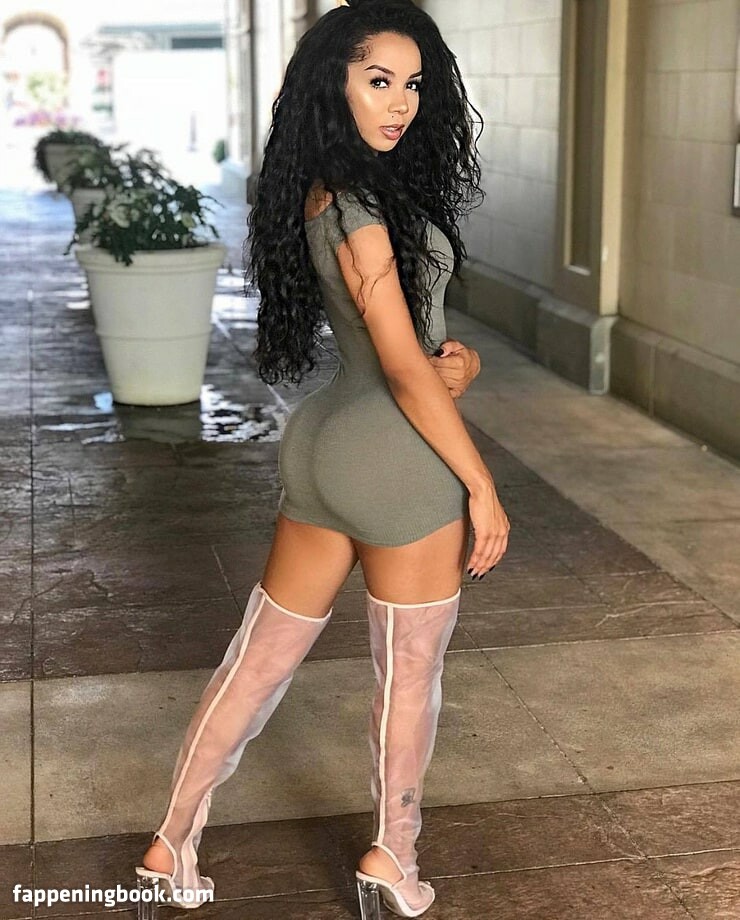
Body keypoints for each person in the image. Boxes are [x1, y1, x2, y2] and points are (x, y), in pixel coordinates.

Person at [135, 1, 510, 917]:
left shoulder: (329, 191)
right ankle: (394, 857)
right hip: (395, 462)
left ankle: (171, 839)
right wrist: (481, 483)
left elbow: (412, 352)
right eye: (378, 80)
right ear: (331, 83)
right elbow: (403, 369)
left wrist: (461, 363)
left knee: (258, 659)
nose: (401, 102)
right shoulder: (362, 208)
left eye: (413, 84)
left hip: (326, 444)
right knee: (410, 675)